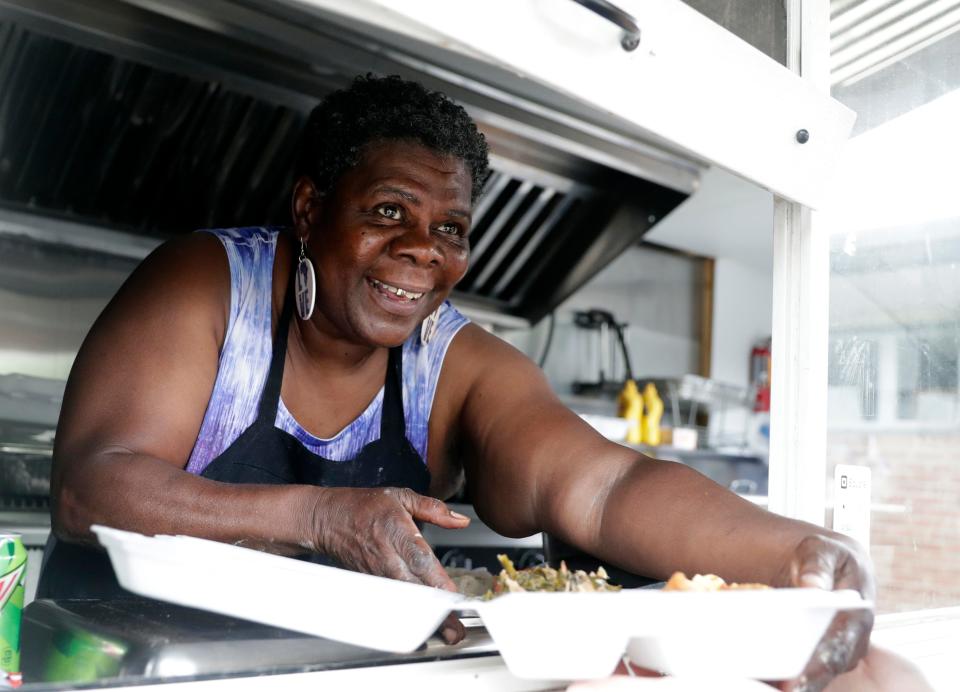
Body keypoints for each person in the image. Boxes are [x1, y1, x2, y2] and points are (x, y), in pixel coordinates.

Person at [39, 75, 873, 689]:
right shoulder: (209, 289)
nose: (422, 250)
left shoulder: (455, 363)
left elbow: (606, 485)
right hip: (112, 668)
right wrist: (320, 516)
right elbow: (90, 490)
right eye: (388, 212)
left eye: (451, 229)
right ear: (308, 209)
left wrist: (796, 551)